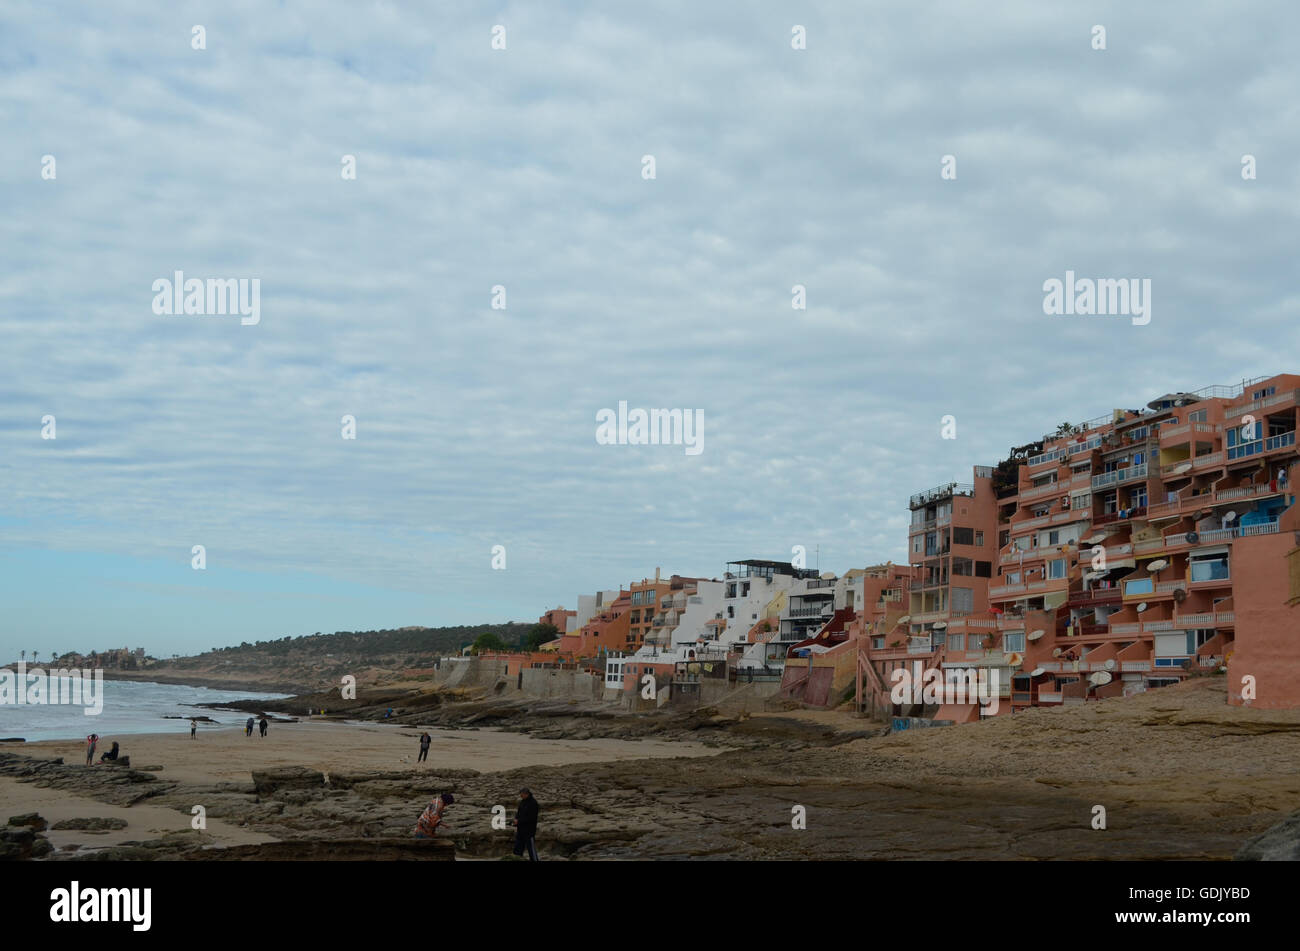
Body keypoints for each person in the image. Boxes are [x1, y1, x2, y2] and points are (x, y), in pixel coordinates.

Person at [512, 787, 539, 861]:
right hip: (520, 829)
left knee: (531, 850)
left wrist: (519, 821)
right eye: (520, 794)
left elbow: (531, 818)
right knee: (517, 849)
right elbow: (519, 813)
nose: (521, 796)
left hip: (529, 831)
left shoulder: (533, 803)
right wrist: (516, 820)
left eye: (522, 794)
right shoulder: (522, 802)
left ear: (526, 794)